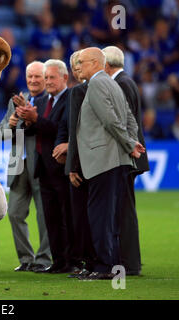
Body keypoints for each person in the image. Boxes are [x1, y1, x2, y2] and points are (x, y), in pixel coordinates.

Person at [76, 47, 145, 280]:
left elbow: (110, 120)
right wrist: (132, 142)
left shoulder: (96, 84)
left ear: (96, 62)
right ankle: (112, 264)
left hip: (103, 160)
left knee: (100, 215)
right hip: (116, 160)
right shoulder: (113, 83)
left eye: (82, 62)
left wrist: (128, 143)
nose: (78, 66)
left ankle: (105, 266)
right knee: (110, 215)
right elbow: (129, 119)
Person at [21, 59, 77, 274]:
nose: (48, 81)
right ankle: (59, 261)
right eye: (46, 78)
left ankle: (72, 260)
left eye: (51, 77)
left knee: (66, 216)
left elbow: (60, 130)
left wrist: (35, 119)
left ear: (64, 78)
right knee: (51, 218)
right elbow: (35, 131)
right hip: (43, 168)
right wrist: (26, 120)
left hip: (62, 167)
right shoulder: (44, 101)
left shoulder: (70, 98)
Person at [0, 61, 52, 273]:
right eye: (30, 76)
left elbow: (52, 130)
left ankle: (44, 258)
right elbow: (0, 133)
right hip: (17, 164)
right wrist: (11, 124)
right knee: (14, 213)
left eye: (38, 76)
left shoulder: (51, 101)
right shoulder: (16, 101)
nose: (33, 80)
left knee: (44, 214)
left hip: (42, 164)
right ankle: (26, 258)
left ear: (46, 78)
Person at [103, 45, 150, 276]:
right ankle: (129, 261)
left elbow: (123, 124)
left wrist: (128, 149)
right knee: (124, 210)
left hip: (126, 156)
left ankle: (129, 263)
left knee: (123, 211)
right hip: (129, 154)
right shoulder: (127, 82)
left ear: (106, 65)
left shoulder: (120, 84)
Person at [62, 51, 96, 278]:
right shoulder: (101, 88)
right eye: (74, 65)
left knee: (83, 216)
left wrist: (72, 166)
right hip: (98, 162)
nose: (76, 69)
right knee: (93, 215)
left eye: (79, 65)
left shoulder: (78, 91)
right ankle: (92, 262)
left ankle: (88, 263)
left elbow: (75, 131)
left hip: (83, 165)